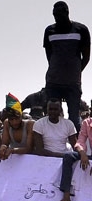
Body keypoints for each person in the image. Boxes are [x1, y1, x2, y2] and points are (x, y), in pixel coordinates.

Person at [44, 2, 90, 131]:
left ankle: (77, 148)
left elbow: (86, 56)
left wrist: (75, 71)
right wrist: (57, 69)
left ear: (67, 12)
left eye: (59, 14)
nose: (57, 17)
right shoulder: (49, 31)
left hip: (72, 83)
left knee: (74, 118)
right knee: (53, 116)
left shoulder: (81, 29)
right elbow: (49, 56)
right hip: (53, 82)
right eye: (55, 15)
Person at [36, 99, 82, 201]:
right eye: (50, 109)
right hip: (46, 160)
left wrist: (79, 154)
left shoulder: (68, 124)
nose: (52, 112)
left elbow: (75, 145)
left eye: (55, 109)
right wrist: (62, 156)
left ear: (60, 110)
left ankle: (67, 200)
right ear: (46, 110)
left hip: (64, 158)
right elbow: (40, 150)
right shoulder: (39, 124)